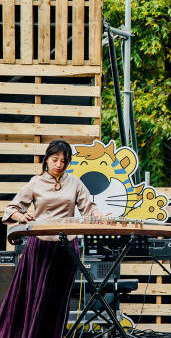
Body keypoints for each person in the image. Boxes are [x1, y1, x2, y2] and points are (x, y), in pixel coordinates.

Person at [0, 139, 105, 338]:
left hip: (67, 248)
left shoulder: (74, 182)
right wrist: (22, 217)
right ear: (46, 159)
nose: (59, 165)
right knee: (35, 295)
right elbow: (11, 209)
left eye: (64, 161)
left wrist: (98, 215)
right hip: (41, 247)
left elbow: (89, 208)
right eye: (55, 159)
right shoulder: (36, 182)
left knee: (58, 298)